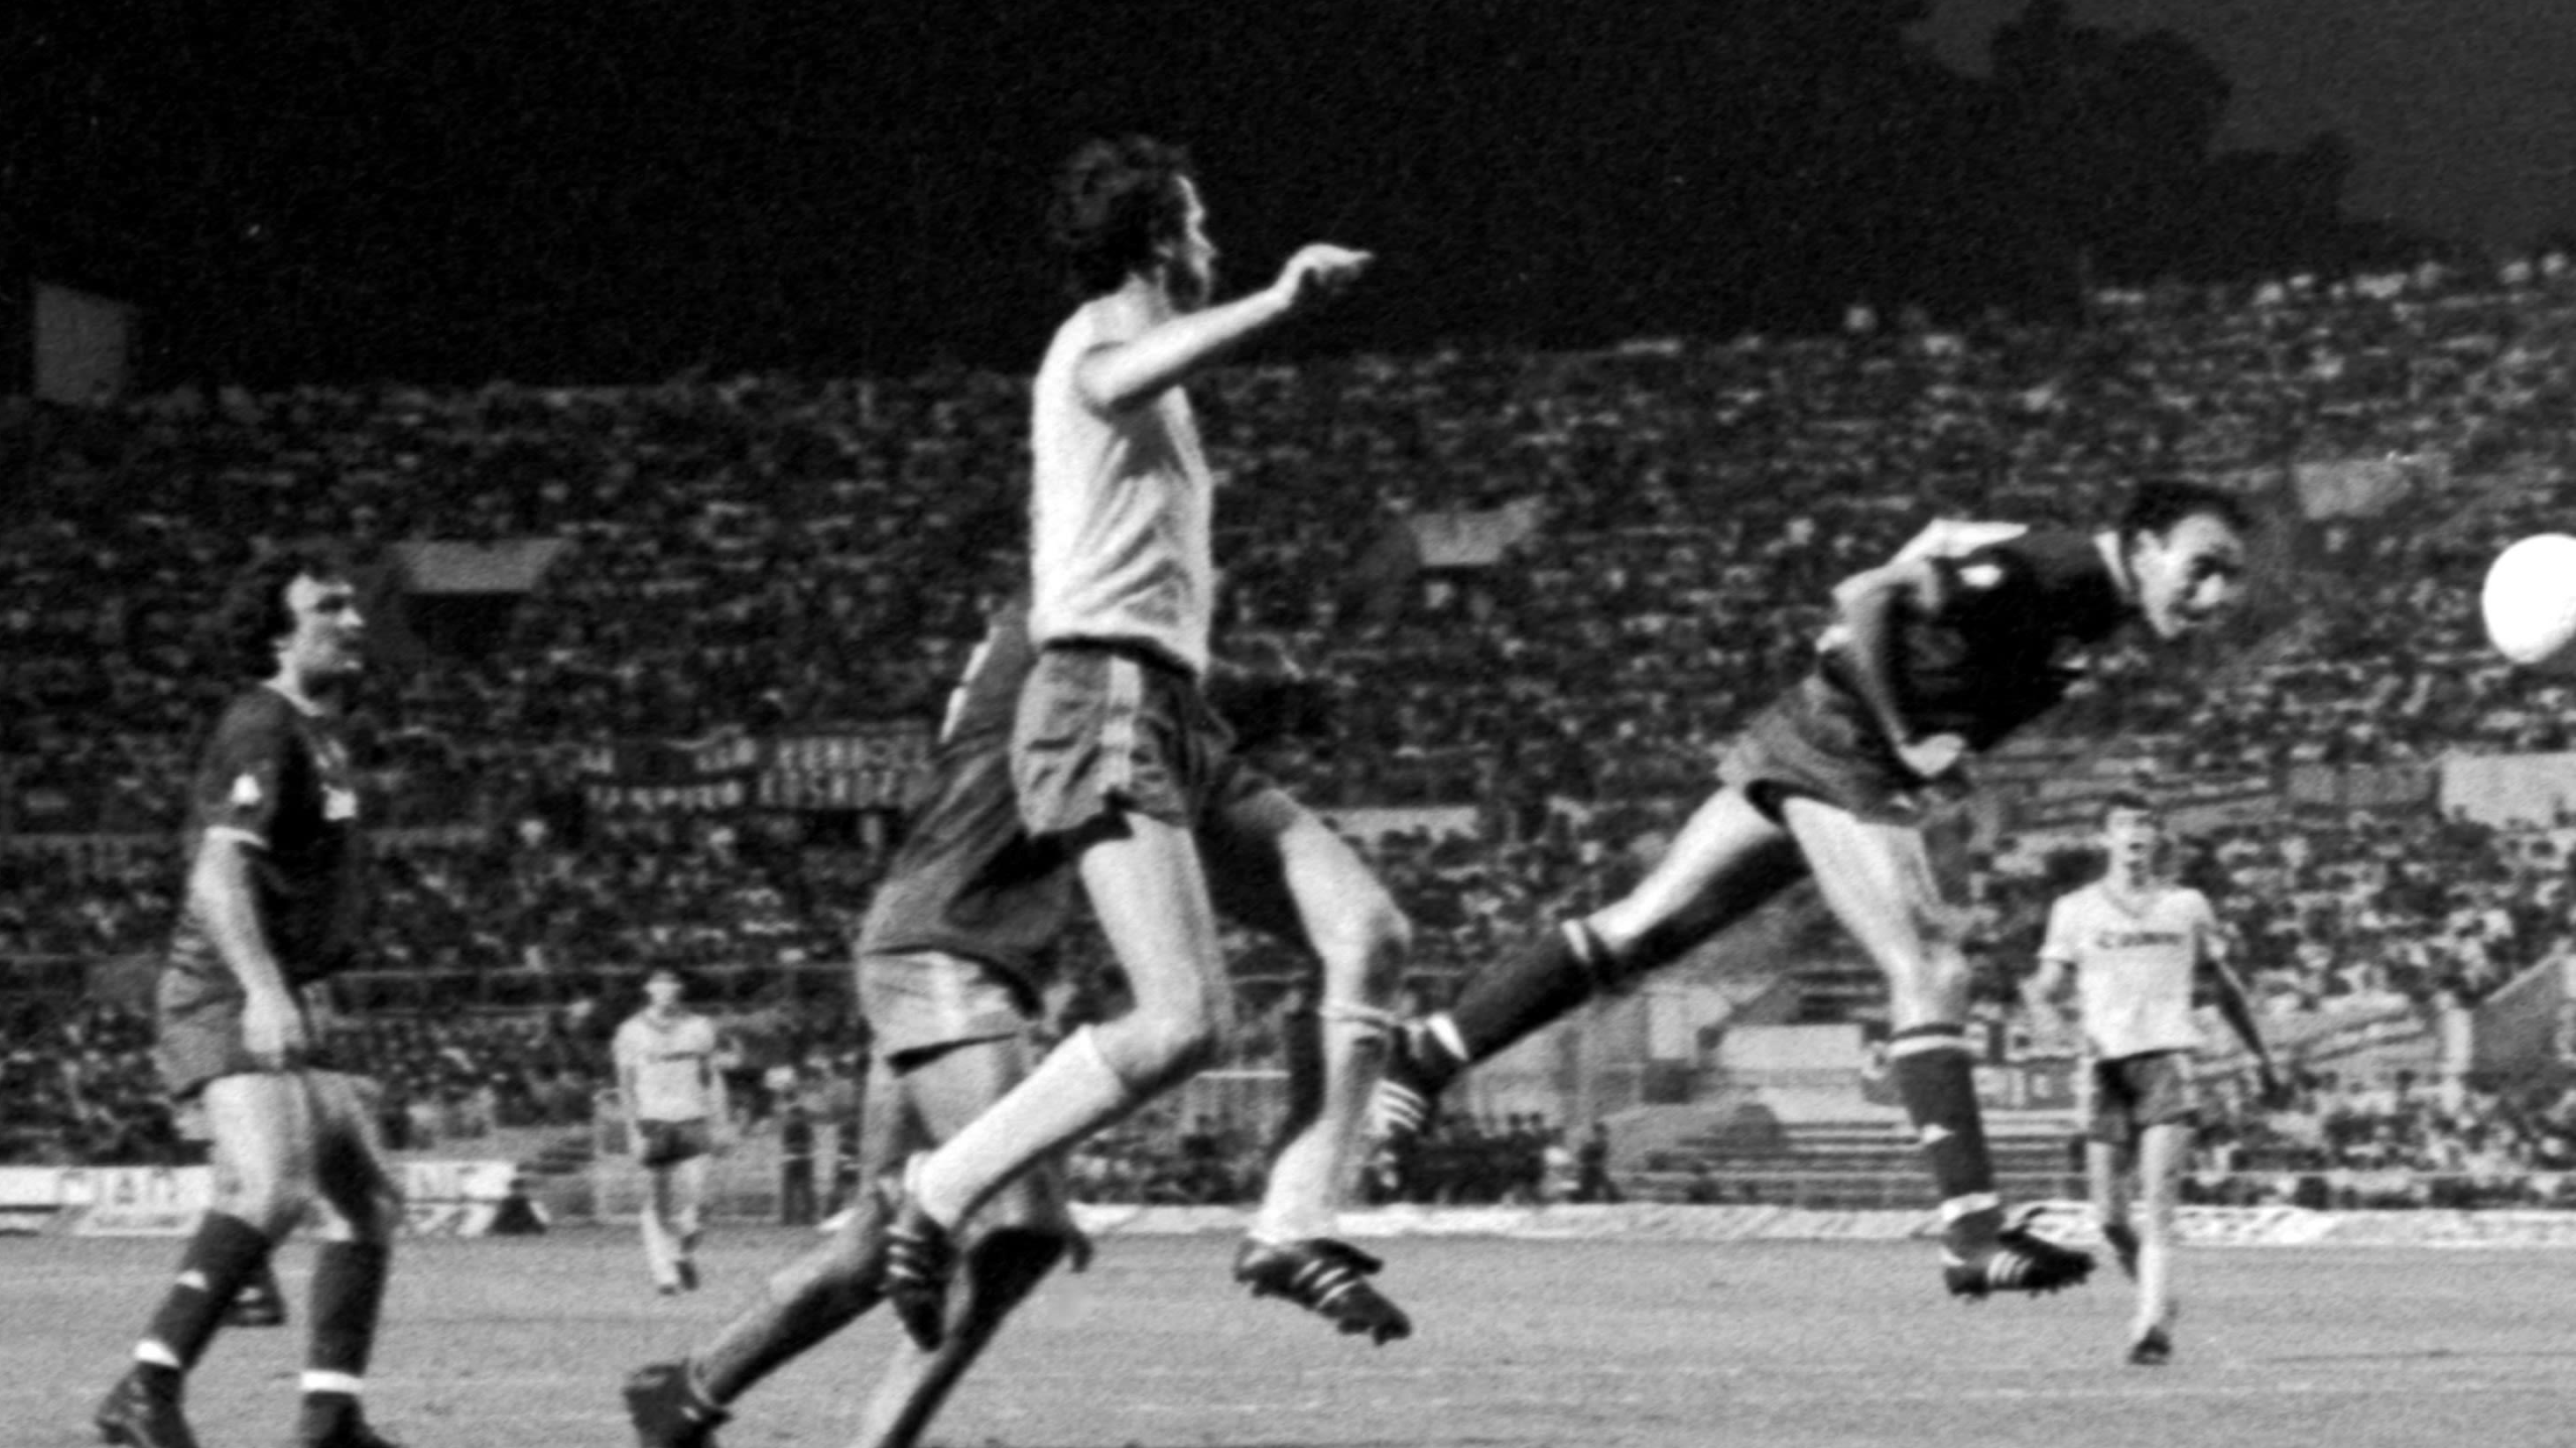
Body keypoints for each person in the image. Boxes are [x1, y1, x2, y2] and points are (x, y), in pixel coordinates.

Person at [1380, 483, 2259, 1299]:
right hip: (1847, 748)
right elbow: (1866, 596)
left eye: (2230, 577)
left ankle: (1428, 1054)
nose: (2215, 594)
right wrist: (1904, 734)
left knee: (1642, 930)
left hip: (1818, 733)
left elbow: (1944, 551)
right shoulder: (2060, 571)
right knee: (1933, 968)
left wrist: (1942, 742)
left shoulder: (2092, 596)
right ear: (2144, 544)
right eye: (2203, 566)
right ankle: (1972, 1234)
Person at [869, 140, 1417, 1356]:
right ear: (1162, 238)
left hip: (1169, 705)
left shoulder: (1149, 374)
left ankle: (1293, 1224)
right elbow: (1114, 375)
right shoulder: (1097, 337)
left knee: (1367, 931)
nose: (1212, 241)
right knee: (1183, 1023)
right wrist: (1279, 300)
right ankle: (939, 1190)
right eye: (1199, 222)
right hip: (1099, 693)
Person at [623, 610, 1099, 1448]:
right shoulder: (1082, 617)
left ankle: (691, 1391)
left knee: (870, 1249)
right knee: (1019, 1226)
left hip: (945, 945)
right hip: (951, 951)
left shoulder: (1065, 623)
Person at [88, 562, 439, 1448]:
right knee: (272, 1186)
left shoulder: (318, 732)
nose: (353, 621)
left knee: (366, 1199)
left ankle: (330, 1422)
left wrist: (299, 986)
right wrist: (263, 991)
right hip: (227, 986)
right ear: (278, 634)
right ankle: (147, 1385)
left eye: (352, 605)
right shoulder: (262, 724)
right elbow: (217, 873)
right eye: (329, 608)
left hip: (287, 985)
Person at [2027, 797, 2276, 1365]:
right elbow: (2044, 988)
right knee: (2111, 1219)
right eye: (2124, 824)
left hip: (2167, 1059)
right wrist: (2052, 1021)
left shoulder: (2187, 905)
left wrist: (2262, 1055)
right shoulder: (2075, 909)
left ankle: (2151, 1329)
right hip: (2104, 1068)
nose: (2135, 833)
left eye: (2145, 824)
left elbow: (2224, 985)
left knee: (2159, 1204)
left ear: (2159, 837)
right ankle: (2158, 1298)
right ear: (2105, 838)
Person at [609, 967, 736, 1296]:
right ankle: (663, 1274)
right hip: (653, 1120)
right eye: (659, 985)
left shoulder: (699, 1027)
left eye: (671, 985)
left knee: (703, 1198)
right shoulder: (630, 1031)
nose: (665, 991)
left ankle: (681, 1250)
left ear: (679, 990)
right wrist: (633, 1129)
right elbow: (625, 1085)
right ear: (648, 989)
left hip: (692, 1117)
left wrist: (723, 1121)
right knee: (656, 1200)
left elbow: (713, 1077)